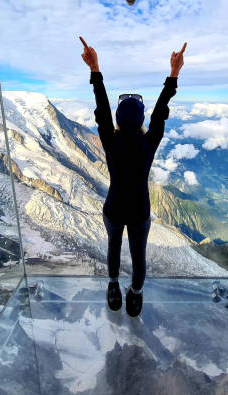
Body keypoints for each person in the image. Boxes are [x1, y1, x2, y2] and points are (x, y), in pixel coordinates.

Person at [79, 36, 186, 317]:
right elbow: (161, 113)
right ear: (141, 120)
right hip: (140, 210)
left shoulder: (109, 141)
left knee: (113, 248)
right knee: (139, 256)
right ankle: (135, 295)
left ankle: (113, 287)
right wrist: (173, 74)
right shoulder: (149, 142)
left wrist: (95, 68)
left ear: (117, 119)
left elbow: (101, 108)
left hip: (113, 208)